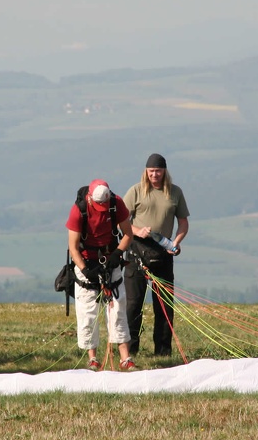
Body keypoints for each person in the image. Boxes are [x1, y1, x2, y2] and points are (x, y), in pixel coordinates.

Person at [123, 153, 189, 356]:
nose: (154, 175)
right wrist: (137, 231)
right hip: (137, 252)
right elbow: (121, 221)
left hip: (163, 252)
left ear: (164, 171)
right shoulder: (136, 191)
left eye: (158, 171)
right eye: (151, 171)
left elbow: (183, 223)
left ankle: (163, 351)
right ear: (146, 171)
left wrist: (175, 243)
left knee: (164, 305)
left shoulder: (175, 192)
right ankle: (130, 350)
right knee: (134, 304)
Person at [67, 179, 135, 370]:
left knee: (118, 307)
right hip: (86, 261)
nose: (102, 208)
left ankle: (125, 358)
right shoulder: (78, 210)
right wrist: (85, 270)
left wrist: (117, 254)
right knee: (88, 311)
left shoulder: (116, 204)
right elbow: (73, 247)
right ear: (89, 198)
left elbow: (128, 234)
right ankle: (92, 358)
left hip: (111, 259)